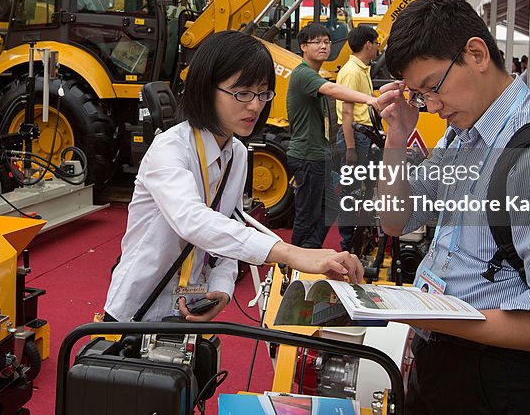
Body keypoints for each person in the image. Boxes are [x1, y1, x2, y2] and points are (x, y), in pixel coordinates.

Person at [374, 0, 530, 414]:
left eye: (432, 88)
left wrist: (427, 314)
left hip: (502, 376)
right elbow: (396, 220)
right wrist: (395, 140)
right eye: (420, 97)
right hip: (447, 357)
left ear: (476, 53)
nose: (433, 107)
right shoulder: (463, 135)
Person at [102, 30, 364, 323]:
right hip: (138, 308)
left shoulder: (236, 152)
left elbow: (229, 222)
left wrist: (222, 287)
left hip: (190, 306)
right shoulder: (169, 149)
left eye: (263, 93)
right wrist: (290, 252)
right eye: (242, 93)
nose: (255, 105)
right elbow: (193, 221)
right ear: (206, 88)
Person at [288, 23, 380, 249]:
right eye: (317, 42)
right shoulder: (303, 74)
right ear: (303, 47)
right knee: (307, 213)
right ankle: (296, 261)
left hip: (318, 154)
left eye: (327, 42)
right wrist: (369, 99)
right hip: (307, 155)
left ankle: (310, 251)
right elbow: (332, 90)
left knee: (330, 207)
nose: (323, 46)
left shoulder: (314, 74)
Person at [334, 25, 380, 251]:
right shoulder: (352, 72)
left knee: (364, 190)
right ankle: (347, 243)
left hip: (363, 137)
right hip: (355, 137)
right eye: (377, 42)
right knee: (352, 190)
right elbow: (347, 112)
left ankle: (360, 239)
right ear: (368, 44)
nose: (379, 46)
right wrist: (351, 147)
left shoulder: (362, 70)